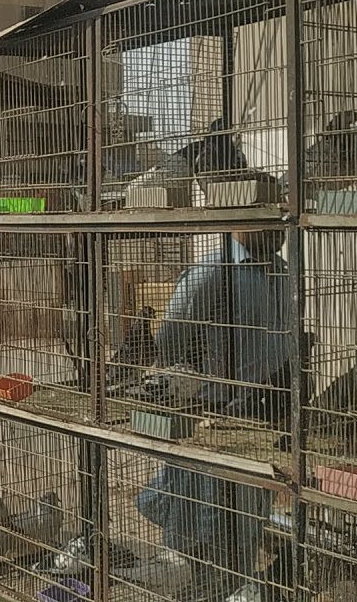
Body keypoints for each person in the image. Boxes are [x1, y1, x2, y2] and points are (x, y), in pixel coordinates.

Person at [137, 229, 291, 596]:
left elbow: (286, 337)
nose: (279, 227)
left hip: (262, 415)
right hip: (213, 418)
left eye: (280, 216)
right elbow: (170, 343)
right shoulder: (211, 273)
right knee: (204, 528)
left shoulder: (283, 270)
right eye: (267, 217)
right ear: (242, 223)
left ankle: (230, 587)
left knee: (246, 525)